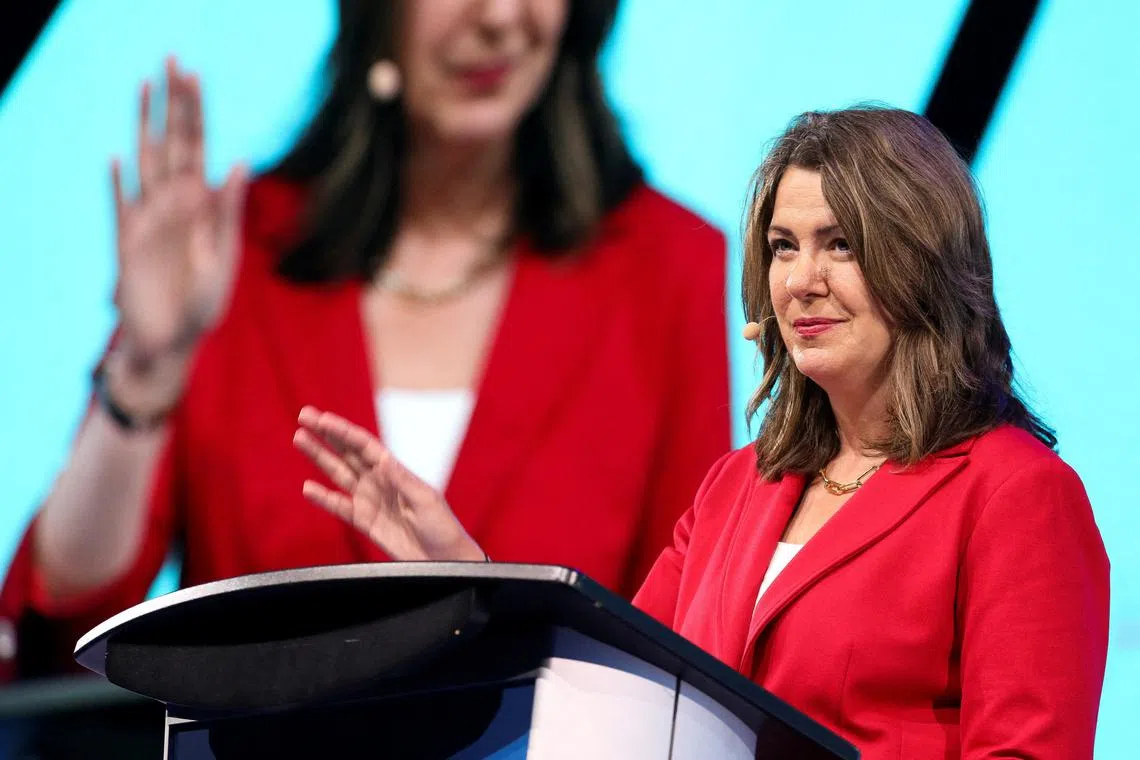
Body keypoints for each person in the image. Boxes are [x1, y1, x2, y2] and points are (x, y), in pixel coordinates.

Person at [293, 107, 1110, 759]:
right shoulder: (737, 487)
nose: (802, 280)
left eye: (842, 245)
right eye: (784, 248)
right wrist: (475, 581)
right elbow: (617, 692)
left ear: (923, 262)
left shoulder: (1016, 494)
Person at [0, 0, 730, 679]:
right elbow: (67, 620)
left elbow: (679, 657)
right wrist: (146, 370)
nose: (503, 18)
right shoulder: (238, 248)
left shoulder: (669, 266)